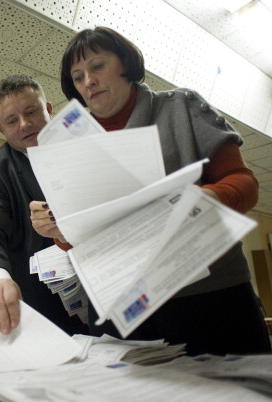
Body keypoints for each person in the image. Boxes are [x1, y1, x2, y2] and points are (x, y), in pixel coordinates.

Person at [30, 26, 271, 356]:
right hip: (125, 305)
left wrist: (206, 198)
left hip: (209, 295)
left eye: (98, 66)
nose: (88, 81)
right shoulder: (73, 144)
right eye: (77, 76)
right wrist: (59, 231)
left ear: (126, 65)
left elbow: (243, 183)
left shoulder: (180, 108)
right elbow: (85, 239)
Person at [0, 74, 89, 336]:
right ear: (2, 129)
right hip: (39, 310)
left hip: (102, 295)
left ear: (49, 109)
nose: (25, 124)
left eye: (31, 111)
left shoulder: (86, 148)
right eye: (11, 120)